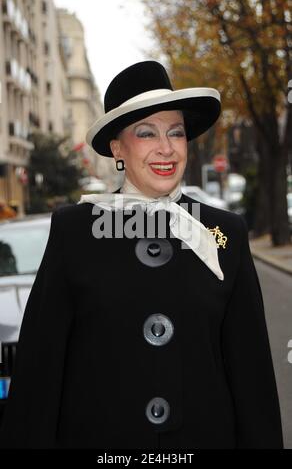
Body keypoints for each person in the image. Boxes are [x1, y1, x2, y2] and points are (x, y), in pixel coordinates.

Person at [0, 61, 283, 449]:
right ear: (117, 147)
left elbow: (252, 378)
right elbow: (40, 373)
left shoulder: (225, 233)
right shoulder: (74, 231)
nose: (166, 148)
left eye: (176, 133)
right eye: (146, 133)